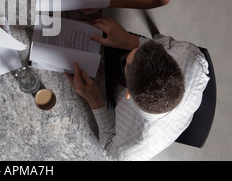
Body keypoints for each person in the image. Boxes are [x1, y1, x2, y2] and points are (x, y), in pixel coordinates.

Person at [64, 17, 209, 160]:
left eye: (126, 62)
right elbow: (165, 44)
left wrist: (95, 100)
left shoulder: (126, 153)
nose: (129, 53)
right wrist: (128, 40)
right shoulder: (191, 56)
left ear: (128, 92)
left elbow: (109, 144)